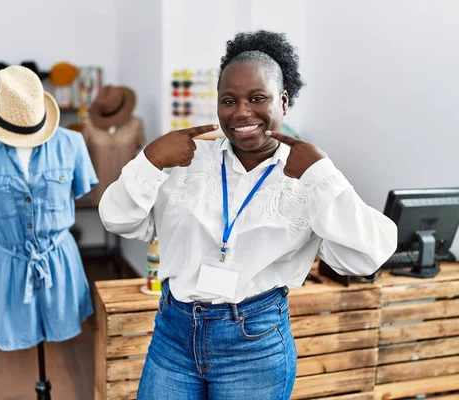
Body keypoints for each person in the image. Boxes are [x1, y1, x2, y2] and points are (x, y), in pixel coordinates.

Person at [98, 30, 397, 399]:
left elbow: (366, 257)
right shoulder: (186, 159)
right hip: (173, 337)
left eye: (257, 98)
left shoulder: (310, 175)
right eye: (229, 100)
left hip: (253, 346)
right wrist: (150, 159)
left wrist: (323, 175)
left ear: (284, 101)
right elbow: (117, 219)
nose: (241, 112)